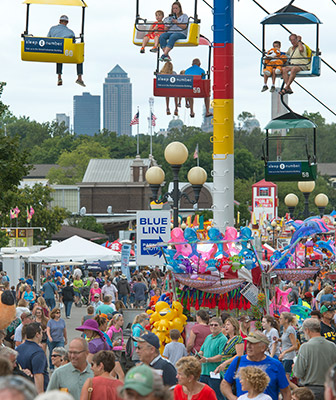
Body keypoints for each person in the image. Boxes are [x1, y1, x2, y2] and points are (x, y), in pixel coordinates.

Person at [221, 331, 291, 400]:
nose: (248, 346)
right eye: (248, 342)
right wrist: (233, 398)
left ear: (263, 347)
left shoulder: (275, 365)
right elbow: (225, 384)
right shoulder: (238, 361)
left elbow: (286, 392)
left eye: (253, 343)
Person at [293, 318, 336, 400]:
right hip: (330, 389)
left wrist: (294, 368)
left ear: (307, 330)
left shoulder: (305, 347)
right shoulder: (332, 346)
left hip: (311, 390)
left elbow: (298, 373)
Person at [47, 15, 85, 87]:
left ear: (59, 21)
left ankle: (59, 77)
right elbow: (73, 43)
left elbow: (48, 39)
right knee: (79, 58)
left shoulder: (52, 29)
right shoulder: (70, 32)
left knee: (59, 54)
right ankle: (79, 77)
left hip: (55, 52)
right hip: (66, 52)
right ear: (67, 22)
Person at [199, 317, 228, 400]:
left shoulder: (223, 339)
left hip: (215, 372)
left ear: (221, 326)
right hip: (204, 372)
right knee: (203, 396)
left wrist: (207, 359)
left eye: (216, 325)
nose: (213, 326)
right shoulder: (208, 337)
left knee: (217, 396)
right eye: (211, 325)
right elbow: (202, 350)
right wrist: (198, 355)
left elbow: (221, 356)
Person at [16, 322, 49, 393]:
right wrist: (41, 396)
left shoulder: (18, 349)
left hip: (22, 389)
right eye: (41, 332)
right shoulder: (38, 352)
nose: (42, 334)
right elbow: (38, 375)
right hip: (33, 391)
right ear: (37, 334)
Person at [279, 312, 297, 380]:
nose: (279, 320)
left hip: (289, 357)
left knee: (286, 380)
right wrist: (279, 340)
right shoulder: (284, 329)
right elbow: (287, 340)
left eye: (281, 319)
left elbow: (294, 346)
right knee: (285, 379)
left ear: (286, 320)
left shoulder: (290, 329)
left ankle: (298, 390)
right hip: (285, 357)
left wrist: (284, 352)